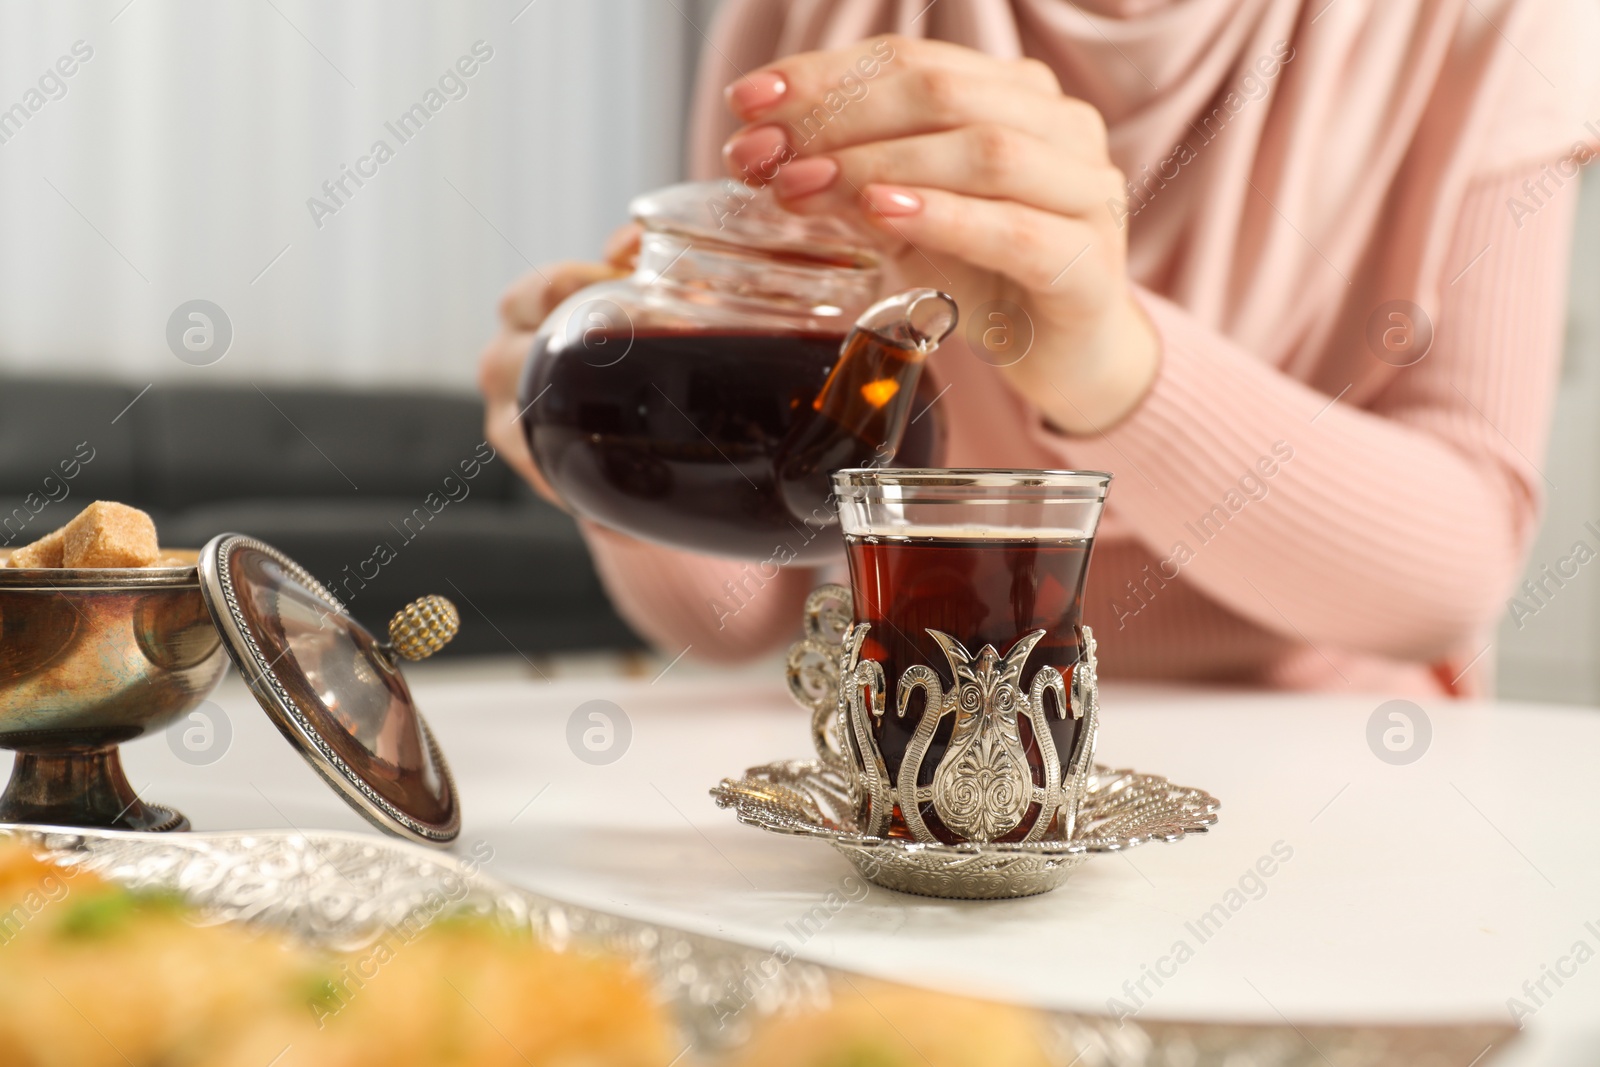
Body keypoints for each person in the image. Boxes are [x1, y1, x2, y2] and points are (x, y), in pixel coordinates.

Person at [480, 0, 1600, 697]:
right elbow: (743, 611)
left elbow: (1455, 568)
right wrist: (611, 461)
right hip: (904, 741)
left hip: (1322, 768)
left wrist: (1111, 363)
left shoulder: (1491, 22)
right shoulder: (815, 20)